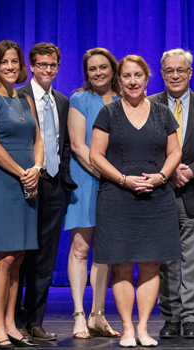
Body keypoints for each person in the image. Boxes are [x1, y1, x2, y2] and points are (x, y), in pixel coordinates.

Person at [89, 55, 182, 348]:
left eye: (138, 76)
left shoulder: (163, 112)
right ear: (119, 80)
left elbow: (175, 152)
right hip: (118, 197)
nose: (132, 81)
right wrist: (123, 180)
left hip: (157, 197)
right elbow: (95, 155)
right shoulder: (108, 113)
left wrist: (162, 177)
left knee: (152, 264)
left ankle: (143, 328)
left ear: (147, 78)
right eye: (127, 76)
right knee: (122, 265)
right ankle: (127, 328)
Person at [0, 40, 42, 350]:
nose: (11, 67)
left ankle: (12, 324)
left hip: (30, 183)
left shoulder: (25, 99)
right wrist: (21, 172)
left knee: (20, 257)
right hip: (3, 183)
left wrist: (36, 169)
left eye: (14, 61)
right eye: (4, 62)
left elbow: (38, 139)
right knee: (5, 258)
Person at [149, 49, 194, 340]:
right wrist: (170, 171)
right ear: (162, 73)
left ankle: (190, 318)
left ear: (190, 73)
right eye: (169, 71)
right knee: (166, 261)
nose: (175, 76)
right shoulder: (149, 105)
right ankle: (171, 318)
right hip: (160, 194)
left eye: (181, 70)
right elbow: (146, 147)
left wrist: (189, 171)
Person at [14, 42, 77, 343]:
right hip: (25, 184)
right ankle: (14, 321)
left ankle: (35, 322)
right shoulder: (17, 97)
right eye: (41, 65)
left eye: (52, 65)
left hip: (53, 186)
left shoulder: (62, 101)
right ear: (32, 66)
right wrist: (27, 174)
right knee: (19, 255)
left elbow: (63, 145)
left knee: (45, 259)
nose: (47, 70)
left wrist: (63, 179)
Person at [64, 48, 121, 339]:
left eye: (102, 67)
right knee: (80, 248)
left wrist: (118, 179)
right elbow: (77, 144)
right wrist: (108, 174)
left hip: (117, 185)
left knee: (105, 251)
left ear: (113, 69)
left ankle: (98, 315)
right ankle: (78, 314)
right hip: (87, 179)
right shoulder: (79, 99)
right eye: (91, 69)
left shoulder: (127, 100)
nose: (97, 73)